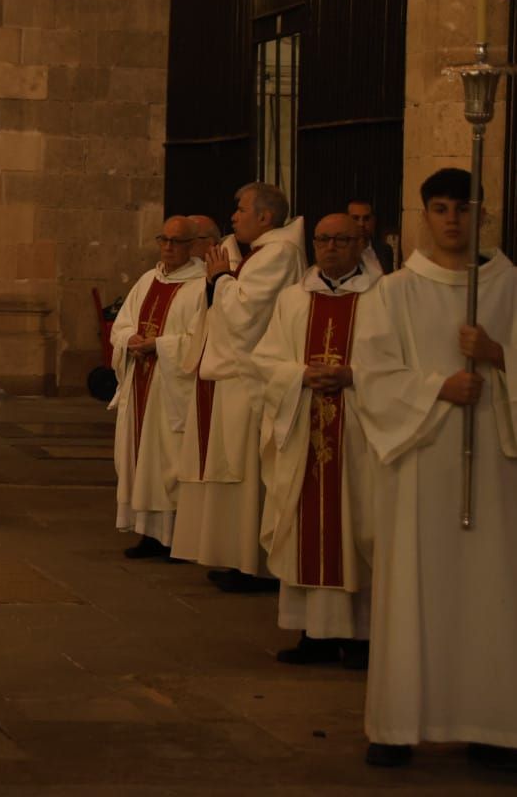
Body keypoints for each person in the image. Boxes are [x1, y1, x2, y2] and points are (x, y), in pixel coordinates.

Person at [352, 168, 517, 770]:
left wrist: (499, 355)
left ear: (481, 216)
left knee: (491, 593)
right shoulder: (394, 292)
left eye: (464, 208)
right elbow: (371, 375)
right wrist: (437, 387)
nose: (452, 220)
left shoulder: (508, 286)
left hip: (496, 469)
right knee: (411, 587)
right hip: (420, 463)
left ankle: (492, 725)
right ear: (425, 215)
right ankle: (398, 725)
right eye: (441, 208)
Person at [253, 212, 377, 669]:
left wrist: (353, 376)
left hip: (359, 435)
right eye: (323, 240)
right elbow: (265, 361)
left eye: (341, 239)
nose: (330, 248)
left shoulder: (382, 299)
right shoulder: (292, 299)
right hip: (304, 424)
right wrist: (300, 375)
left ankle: (362, 636)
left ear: (360, 243)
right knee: (306, 525)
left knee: (358, 525)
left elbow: (397, 365)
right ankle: (314, 635)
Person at [171, 182, 305, 592]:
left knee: (249, 476)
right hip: (231, 375)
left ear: (265, 217)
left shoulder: (279, 254)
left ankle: (255, 564)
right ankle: (236, 556)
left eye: (241, 209)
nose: (234, 216)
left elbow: (247, 315)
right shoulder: (261, 253)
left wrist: (220, 280)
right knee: (233, 473)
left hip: (249, 378)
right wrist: (222, 278)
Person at [109, 216, 207, 557]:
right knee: (140, 459)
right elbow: (121, 324)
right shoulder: (148, 279)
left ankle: (175, 537)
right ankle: (148, 533)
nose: (167, 247)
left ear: (193, 246)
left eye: (176, 241)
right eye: (163, 239)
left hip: (171, 392)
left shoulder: (201, 286)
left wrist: (159, 345)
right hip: (140, 384)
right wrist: (128, 338)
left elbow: (200, 341)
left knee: (169, 461)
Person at [348, 198, 394, 277]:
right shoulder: (338, 251)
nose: (361, 224)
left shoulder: (384, 250)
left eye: (366, 218)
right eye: (355, 218)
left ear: (373, 221)